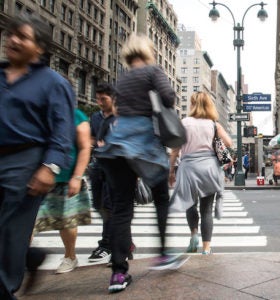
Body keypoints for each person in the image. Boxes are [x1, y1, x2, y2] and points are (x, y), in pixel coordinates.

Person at [94, 34, 181, 293]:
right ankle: (165, 254)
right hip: (146, 146)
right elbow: (169, 98)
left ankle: (118, 273)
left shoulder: (122, 77)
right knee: (161, 199)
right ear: (147, 52)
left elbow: (119, 110)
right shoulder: (153, 71)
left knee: (122, 208)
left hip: (117, 146)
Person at [0, 14, 75, 299]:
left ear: (40, 47)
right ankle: (29, 258)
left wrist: (50, 166)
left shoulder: (53, 83)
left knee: (10, 232)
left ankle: (6, 289)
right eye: (11, 34)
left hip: (26, 163)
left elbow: (62, 129)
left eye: (23, 37)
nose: (13, 40)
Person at [169, 92, 233, 256]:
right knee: (206, 210)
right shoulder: (213, 124)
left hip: (188, 168)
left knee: (190, 205)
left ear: (192, 104)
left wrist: (171, 171)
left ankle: (194, 236)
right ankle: (206, 248)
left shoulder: (183, 123)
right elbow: (229, 142)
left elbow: (175, 149)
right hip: (209, 168)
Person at [33, 108, 92, 274]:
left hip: (65, 176)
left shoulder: (77, 115)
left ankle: (70, 256)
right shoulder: (37, 111)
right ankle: (18, 259)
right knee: (26, 221)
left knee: (67, 220)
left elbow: (85, 147)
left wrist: (77, 177)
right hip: (34, 175)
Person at [87, 83, 116, 264]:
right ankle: (124, 241)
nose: (99, 102)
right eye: (97, 98)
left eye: (103, 99)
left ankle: (107, 244)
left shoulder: (121, 118)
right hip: (97, 166)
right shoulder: (95, 117)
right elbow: (91, 136)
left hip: (115, 168)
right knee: (99, 205)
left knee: (110, 205)